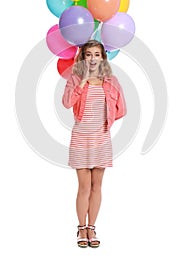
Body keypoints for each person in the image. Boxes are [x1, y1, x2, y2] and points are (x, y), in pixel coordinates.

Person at [62, 40, 127, 248]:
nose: (92, 58)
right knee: (83, 187)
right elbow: (67, 103)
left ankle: (92, 228)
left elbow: (122, 109)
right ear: (83, 57)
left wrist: (104, 122)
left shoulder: (112, 81)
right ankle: (81, 227)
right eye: (88, 54)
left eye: (96, 55)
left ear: (102, 57)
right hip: (81, 138)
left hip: (101, 139)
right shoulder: (75, 79)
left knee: (97, 186)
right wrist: (83, 82)